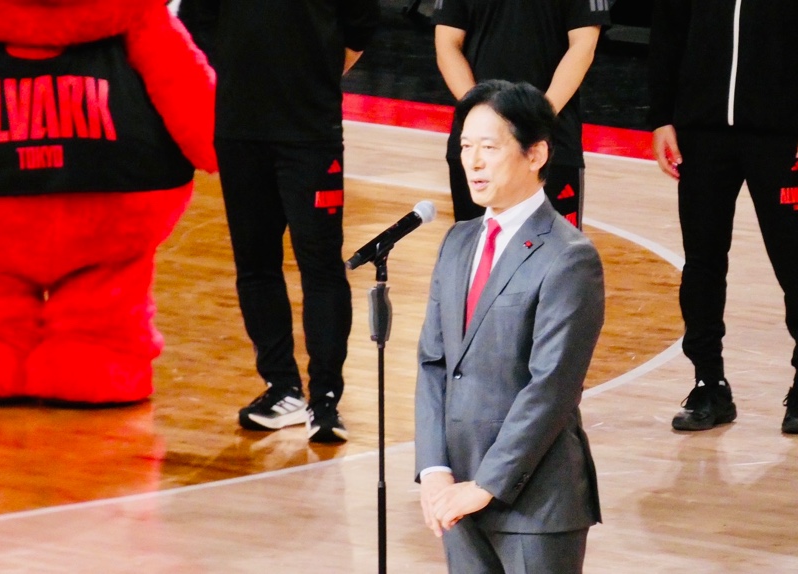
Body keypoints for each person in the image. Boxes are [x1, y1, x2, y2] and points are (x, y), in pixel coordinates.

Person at [415, 80, 604, 573]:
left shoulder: (569, 257)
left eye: (489, 147)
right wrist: (434, 469)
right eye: (465, 147)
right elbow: (434, 363)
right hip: (455, 497)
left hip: (534, 505)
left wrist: (485, 485)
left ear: (535, 153)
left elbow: (552, 387)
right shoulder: (456, 242)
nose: (473, 162)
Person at [203, 0, 380, 443]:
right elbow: (197, 27)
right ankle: (282, 388)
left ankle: (325, 399)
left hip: (309, 131)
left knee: (320, 264)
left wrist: (310, 73)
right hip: (240, 129)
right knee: (255, 264)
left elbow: (360, 26)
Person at [650, 0, 798, 435]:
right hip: (701, 132)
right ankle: (708, 384)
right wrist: (660, 118)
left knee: (796, 262)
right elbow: (668, 32)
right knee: (702, 263)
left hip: (784, 135)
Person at [432, 0, 609, 228]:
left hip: (550, 138)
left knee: (555, 246)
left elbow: (583, 46)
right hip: (478, 141)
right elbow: (447, 44)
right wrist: (483, 116)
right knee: (476, 246)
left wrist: (538, 117)